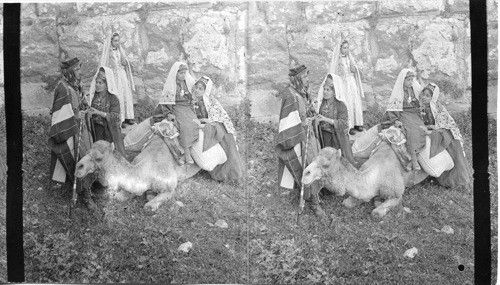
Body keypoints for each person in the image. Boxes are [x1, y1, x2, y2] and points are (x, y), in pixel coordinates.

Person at [48, 57, 98, 212]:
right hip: (70, 130)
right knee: (77, 157)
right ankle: (85, 195)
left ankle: (88, 187)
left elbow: (82, 101)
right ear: (69, 71)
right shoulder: (62, 88)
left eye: (79, 69)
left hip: (83, 130)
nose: (79, 72)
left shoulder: (77, 85)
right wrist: (76, 116)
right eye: (76, 69)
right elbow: (57, 113)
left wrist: (86, 107)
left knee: (87, 156)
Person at [276, 64, 325, 218]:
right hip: (298, 137)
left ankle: (313, 194)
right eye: (304, 77)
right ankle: (314, 202)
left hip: (310, 136)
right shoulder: (290, 95)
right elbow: (287, 121)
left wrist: (313, 112)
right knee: (306, 165)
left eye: (307, 76)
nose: (307, 79)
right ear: (297, 78)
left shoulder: (303, 92)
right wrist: (304, 123)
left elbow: (309, 109)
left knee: (313, 164)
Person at [419, 83, 472, 187]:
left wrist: (428, 127)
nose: (424, 97)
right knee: (439, 156)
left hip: (446, 134)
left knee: (454, 156)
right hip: (434, 133)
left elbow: (442, 125)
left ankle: (458, 181)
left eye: (427, 96)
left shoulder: (437, 107)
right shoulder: (422, 108)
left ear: (433, 97)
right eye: (423, 94)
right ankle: (440, 178)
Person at [192, 76, 244, 182]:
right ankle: (214, 173)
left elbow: (215, 118)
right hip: (209, 126)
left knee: (228, 149)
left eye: (200, 89)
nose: (197, 90)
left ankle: (232, 176)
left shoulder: (210, 102)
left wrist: (201, 121)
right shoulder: (195, 101)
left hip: (220, 127)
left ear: (206, 91)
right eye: (196, 87)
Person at [153, 61, 197, 164]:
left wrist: (193, 100)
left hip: (187, 107)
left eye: (184, 73)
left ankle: (191, 149)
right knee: (185, 125)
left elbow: (192, 95)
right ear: (175, 73)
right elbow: (166, 100)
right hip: (177, 107)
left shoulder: (187, 83)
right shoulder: (171, 84)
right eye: (180, 73)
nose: (183, 75)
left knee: (194, 122)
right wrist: (168, 113)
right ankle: (186, 152)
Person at [381, 68, 426, 171]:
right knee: (411, 131)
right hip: (403, 113)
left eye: (412, 80)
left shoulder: (413, 89)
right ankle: (414, 160)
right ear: (403, 80)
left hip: (414, 114)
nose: (411, 82)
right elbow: (394, 106)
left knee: (421, 129)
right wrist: (395, 119)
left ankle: (413, 160)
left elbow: (422, 97)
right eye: (408, 80)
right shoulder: (399, 91)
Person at [315, 73, 356, 166]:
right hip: (324, 137)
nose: (325, 92)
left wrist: (327, 119)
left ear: (334, 92)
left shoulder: (341, 105)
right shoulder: (322, 103)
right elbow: (319, 117)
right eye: (324, 89)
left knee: (338, 162)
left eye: (328, 90)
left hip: (337, 138)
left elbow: (343, 123)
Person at [86, 66, 126, 156]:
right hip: (95, 130)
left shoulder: (113, 98)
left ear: (107, 85)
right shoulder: (93, 96)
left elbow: (116, 116)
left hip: (108, 132)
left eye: (100, 83)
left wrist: (98, 112)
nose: (97, 85)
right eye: (96, 82)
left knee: (108, 154)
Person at [99, 31, 136, 127]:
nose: (117, 42)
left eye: (118, 41)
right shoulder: (108, 51)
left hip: (121, 74)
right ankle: (120, 119)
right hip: (114, 76)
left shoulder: (119, 50)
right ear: (111, 41)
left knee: (126, 94)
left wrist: (125, 61)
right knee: (118, 95)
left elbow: (124, 61)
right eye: (115, 41)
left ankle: (128, 116)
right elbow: (105, 64)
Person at [329, 38, 365, 135]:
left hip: (351, 82)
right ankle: (350, 125)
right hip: (344, 83)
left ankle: (357, 123)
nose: (346, 50)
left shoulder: (349, 58)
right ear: (340, 48)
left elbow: (354, 69)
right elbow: (334, 72)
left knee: (355, 101)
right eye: (344, 48)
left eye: (347, 48)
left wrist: (354, 69)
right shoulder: (338, 59)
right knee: (347, 102)